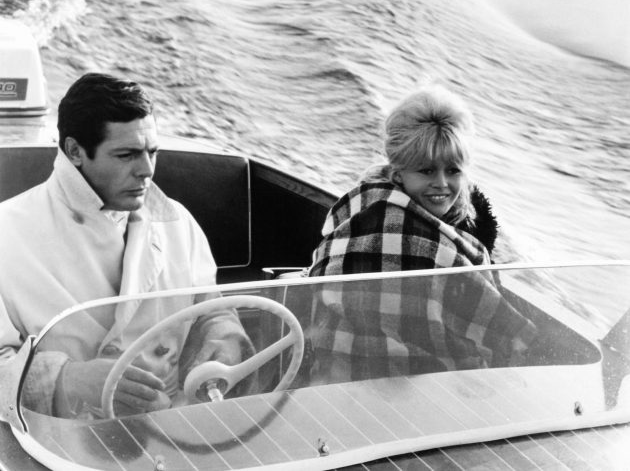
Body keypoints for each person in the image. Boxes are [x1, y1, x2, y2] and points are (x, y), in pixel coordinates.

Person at [0, 73, 252, 418]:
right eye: (126, 155)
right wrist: (68, 380)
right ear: (74, 151)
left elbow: (211, 311)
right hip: (53, 437)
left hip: (170, 427)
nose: (146, 170)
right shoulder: (6, 232)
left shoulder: (178, 222)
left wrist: (222, 342)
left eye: (152, 152)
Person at [308, 85, 537, 383]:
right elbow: (508, 339)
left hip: (330, 383)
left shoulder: (351, 208)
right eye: (427, 171)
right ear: (398, 173)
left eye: (453, 171)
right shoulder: (446, 252)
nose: (441, 183)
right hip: (423, 395)